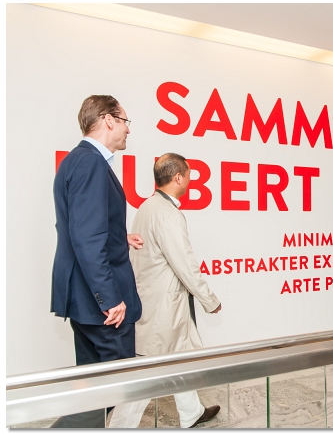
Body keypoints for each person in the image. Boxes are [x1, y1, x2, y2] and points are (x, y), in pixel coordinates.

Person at [108, 153, 222, 428]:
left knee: (178, 358)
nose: (191, 180)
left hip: (158, 300)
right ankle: (118, 427)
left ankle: (191, 412)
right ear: (178, 177)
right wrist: (209, 300)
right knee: (147, 372)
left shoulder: (148, 207)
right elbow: (184, 263)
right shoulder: (167, 214)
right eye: (189, 175)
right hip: (163, 305)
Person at [51, 95, 143, 428]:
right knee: (114, 392)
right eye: (125, 122)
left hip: (82, 298)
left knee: (92, 393)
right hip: (101, 303)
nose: (128, 130)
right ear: (108, 120)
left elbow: (80, 227)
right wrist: (110, 298)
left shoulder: (75, 160)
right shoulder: (91, 163)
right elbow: (87, 238)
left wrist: (119, 237)